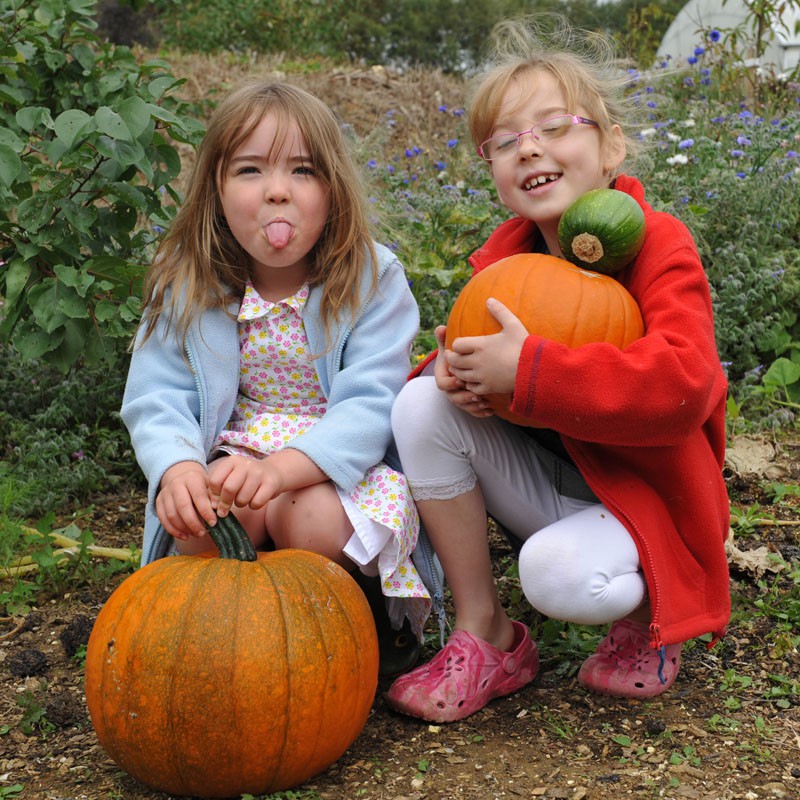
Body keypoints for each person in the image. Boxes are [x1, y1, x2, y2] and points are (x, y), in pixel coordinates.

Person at [387, 18, 730, 722]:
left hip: (646, 504)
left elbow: (684, 384)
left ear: (612, 145)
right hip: (558, 491)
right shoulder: (506, 264)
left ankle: (647, 614)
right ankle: (488, 634)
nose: (530, 147)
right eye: (506, 141)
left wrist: (534, 371)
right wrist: (456, 373)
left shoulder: (660, 245)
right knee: (420, 405)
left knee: (557, 577)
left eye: (553, 126)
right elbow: (475, 368)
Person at [121, 79, 429, 675]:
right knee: (203, 520)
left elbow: (370, 403)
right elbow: (156, 395)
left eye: (303, 171)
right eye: (251, 170)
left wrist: (280, 469)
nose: (278, 192)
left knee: (310, 519)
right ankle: (232, 647)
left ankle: (357, 623)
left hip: (334, 464)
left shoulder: (370, 278)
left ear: (333, 190)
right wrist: (179, 468)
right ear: (216, 187)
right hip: (235, 457)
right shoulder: (187, 283)